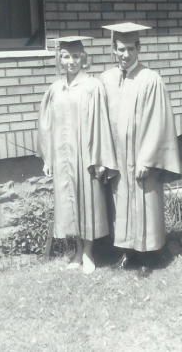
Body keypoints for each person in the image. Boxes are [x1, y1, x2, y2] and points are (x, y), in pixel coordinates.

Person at [99, 23, 182, 276]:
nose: (126, 55)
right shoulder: (106, 80)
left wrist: (147, 159)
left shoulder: (151, 80)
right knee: (122, 204)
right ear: (113, 49)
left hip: (141, 157)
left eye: (131, 49)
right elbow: (100, 121)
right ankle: (128, 253)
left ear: (139, 48)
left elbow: (159, 122)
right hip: (119, 159)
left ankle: (149, 256)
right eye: (121, 49)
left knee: (145, 203)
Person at [37, 36, 117, 274]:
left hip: (85, 156)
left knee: (88, 202)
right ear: (60, 59)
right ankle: (79, 250)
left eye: (75, 56)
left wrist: (100, 158)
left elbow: (101, 123)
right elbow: (46, 126)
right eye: (65, 56)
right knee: (68, 204)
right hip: (62, 158)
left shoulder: (93, 86)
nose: (70, 61)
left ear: (83, 59)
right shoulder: (55, 89)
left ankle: (90, 252)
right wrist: (48, 158)